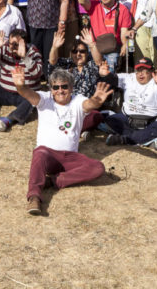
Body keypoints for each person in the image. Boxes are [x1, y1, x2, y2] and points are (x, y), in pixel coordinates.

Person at [17, 65, 113, 216]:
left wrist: (96, 100)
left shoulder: (77, 100)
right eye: (56, 87)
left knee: (98, 168)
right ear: (51, 89)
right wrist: (20, 86)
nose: (60, 90)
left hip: (70, 158)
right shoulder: (44, 99)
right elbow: (28, 94)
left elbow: (89, 105)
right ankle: (34, 197)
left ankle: (54, 181)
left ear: (71, 87)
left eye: (64, 86)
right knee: (39, 152)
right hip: (47, 155)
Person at [0, 28, 44, 130]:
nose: (12, 47)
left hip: (24, 93)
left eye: (15, 44)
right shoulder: (6, 48)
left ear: (24, 43)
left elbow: (38, 73)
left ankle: (9, 120)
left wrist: (25, 57)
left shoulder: (33, 52)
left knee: (33, 99)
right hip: (4, 90)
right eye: (10, 43)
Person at [98, 56, 157, 148]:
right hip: (128, 119)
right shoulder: (129, 78)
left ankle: (125, 139)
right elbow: (113, 79)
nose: (141, 74)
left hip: (152, 122)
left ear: (151, 71)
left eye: (145, 70)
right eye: (138, 70)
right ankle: (145, 140)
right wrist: (105, 74)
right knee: (110, 121)